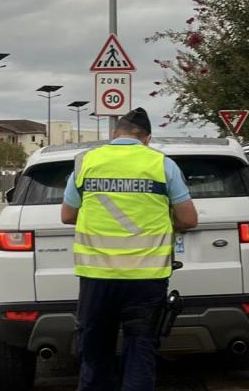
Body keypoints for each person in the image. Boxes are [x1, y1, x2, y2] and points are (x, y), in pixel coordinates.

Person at [61, 108, 199, 390]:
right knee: (141, 349)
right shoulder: (162, 164)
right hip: (145, 278)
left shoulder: (85, 162)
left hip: (97, 276)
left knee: (95, 352)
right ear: (146, 138)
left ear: (114, 134)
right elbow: (188, 219)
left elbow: (67, 215)